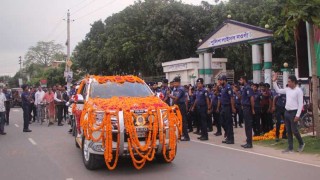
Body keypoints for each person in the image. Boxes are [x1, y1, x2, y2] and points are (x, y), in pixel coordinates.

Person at [273, 74, 305, 153]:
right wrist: (274, 81)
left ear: (294, 82)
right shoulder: (287, 89)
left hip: (294, 112)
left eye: (289, 82)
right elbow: (278, 90)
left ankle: (301, 143)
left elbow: (300, 104)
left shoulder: (298, 91)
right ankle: (290, 148)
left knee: (294, 130)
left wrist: (297, 115)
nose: (288, 83)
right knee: (288, 130)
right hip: (286, 111)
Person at [168, 77, 190, 141]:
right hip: (177, 106)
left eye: (175, 83)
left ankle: (186, 136)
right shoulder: (176, 89)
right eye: (174, 83)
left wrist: (169, 95)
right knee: (178, 121)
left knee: (183, 121)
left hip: (181, 106)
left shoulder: (181, 89)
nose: (174, 84)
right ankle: (181, 134)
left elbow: (176, 98)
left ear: (178, 82)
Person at [218, 75, 236, 144]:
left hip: (227, 107)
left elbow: (231, 98)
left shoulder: (228, 88)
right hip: (223, 107)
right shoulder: (222, 88)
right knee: (222, 122)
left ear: (224, 80)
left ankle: (230, 139)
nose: (220, 81)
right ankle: (227, 134)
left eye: (221, 80)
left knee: (229, 123)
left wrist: (233, 107)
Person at [239, 76, 254, 148]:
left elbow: (251, 98)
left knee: (248, 126)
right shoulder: (244, 88)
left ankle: (249, 143)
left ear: (244, 80)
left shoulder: (248, 88)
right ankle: (248, 141)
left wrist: (252, 109)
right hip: (245, 107)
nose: (240, 81)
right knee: (246, 126)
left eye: (241, 80)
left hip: (248, 108)